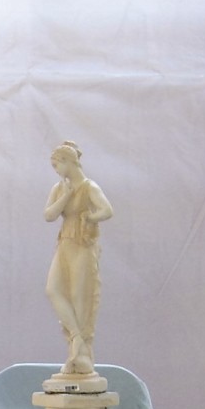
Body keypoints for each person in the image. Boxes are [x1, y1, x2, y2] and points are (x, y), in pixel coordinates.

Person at [43, 140, 115, 380]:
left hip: (83, 245)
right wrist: (66, 196)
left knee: (79, 297)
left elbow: (107, 210)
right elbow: (49, 215)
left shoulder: (89, 186)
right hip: (65, 243)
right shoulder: (60, 188)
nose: (56, 170)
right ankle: (77, 339)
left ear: (68, 162)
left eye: (57, 165)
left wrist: (91, 218)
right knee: (53, 289)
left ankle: (81, 355)